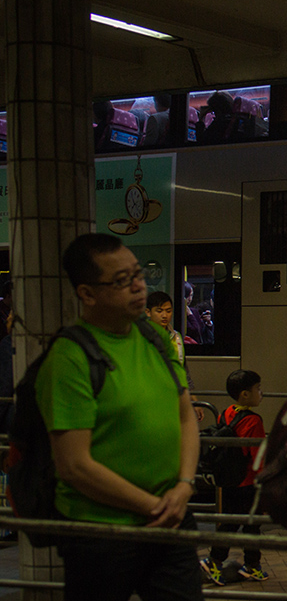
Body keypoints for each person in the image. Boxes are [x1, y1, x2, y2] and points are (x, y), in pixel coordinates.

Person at [36, 233, 201, 600]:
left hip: (170, 521)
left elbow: (186, 417)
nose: (138, 288)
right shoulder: (70, 358)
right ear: (87, 294)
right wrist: (157, 507)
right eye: (122, 281)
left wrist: (185, 485)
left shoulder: (154, 337)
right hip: (102, 533)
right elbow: (74, 466)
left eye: (138, 275)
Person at [200, 369, 269, 585]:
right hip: (248, 483)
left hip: (230, 480)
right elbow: (257, 456)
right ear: (245, 395)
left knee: (232, 522)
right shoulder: (253, 421)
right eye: (258, 389)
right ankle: (217, 561)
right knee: (250, 525)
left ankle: (251, 565)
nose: (261, 393)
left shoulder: (227, 412)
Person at [147, 290, 203, 421]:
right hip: (150, 397)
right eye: (159, 311)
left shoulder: (176, 337)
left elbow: (183, 369)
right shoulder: (141, 337)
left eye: (168, 311)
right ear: (148, 312)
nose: (164, 315)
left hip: (174, 396)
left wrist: (193, 398)